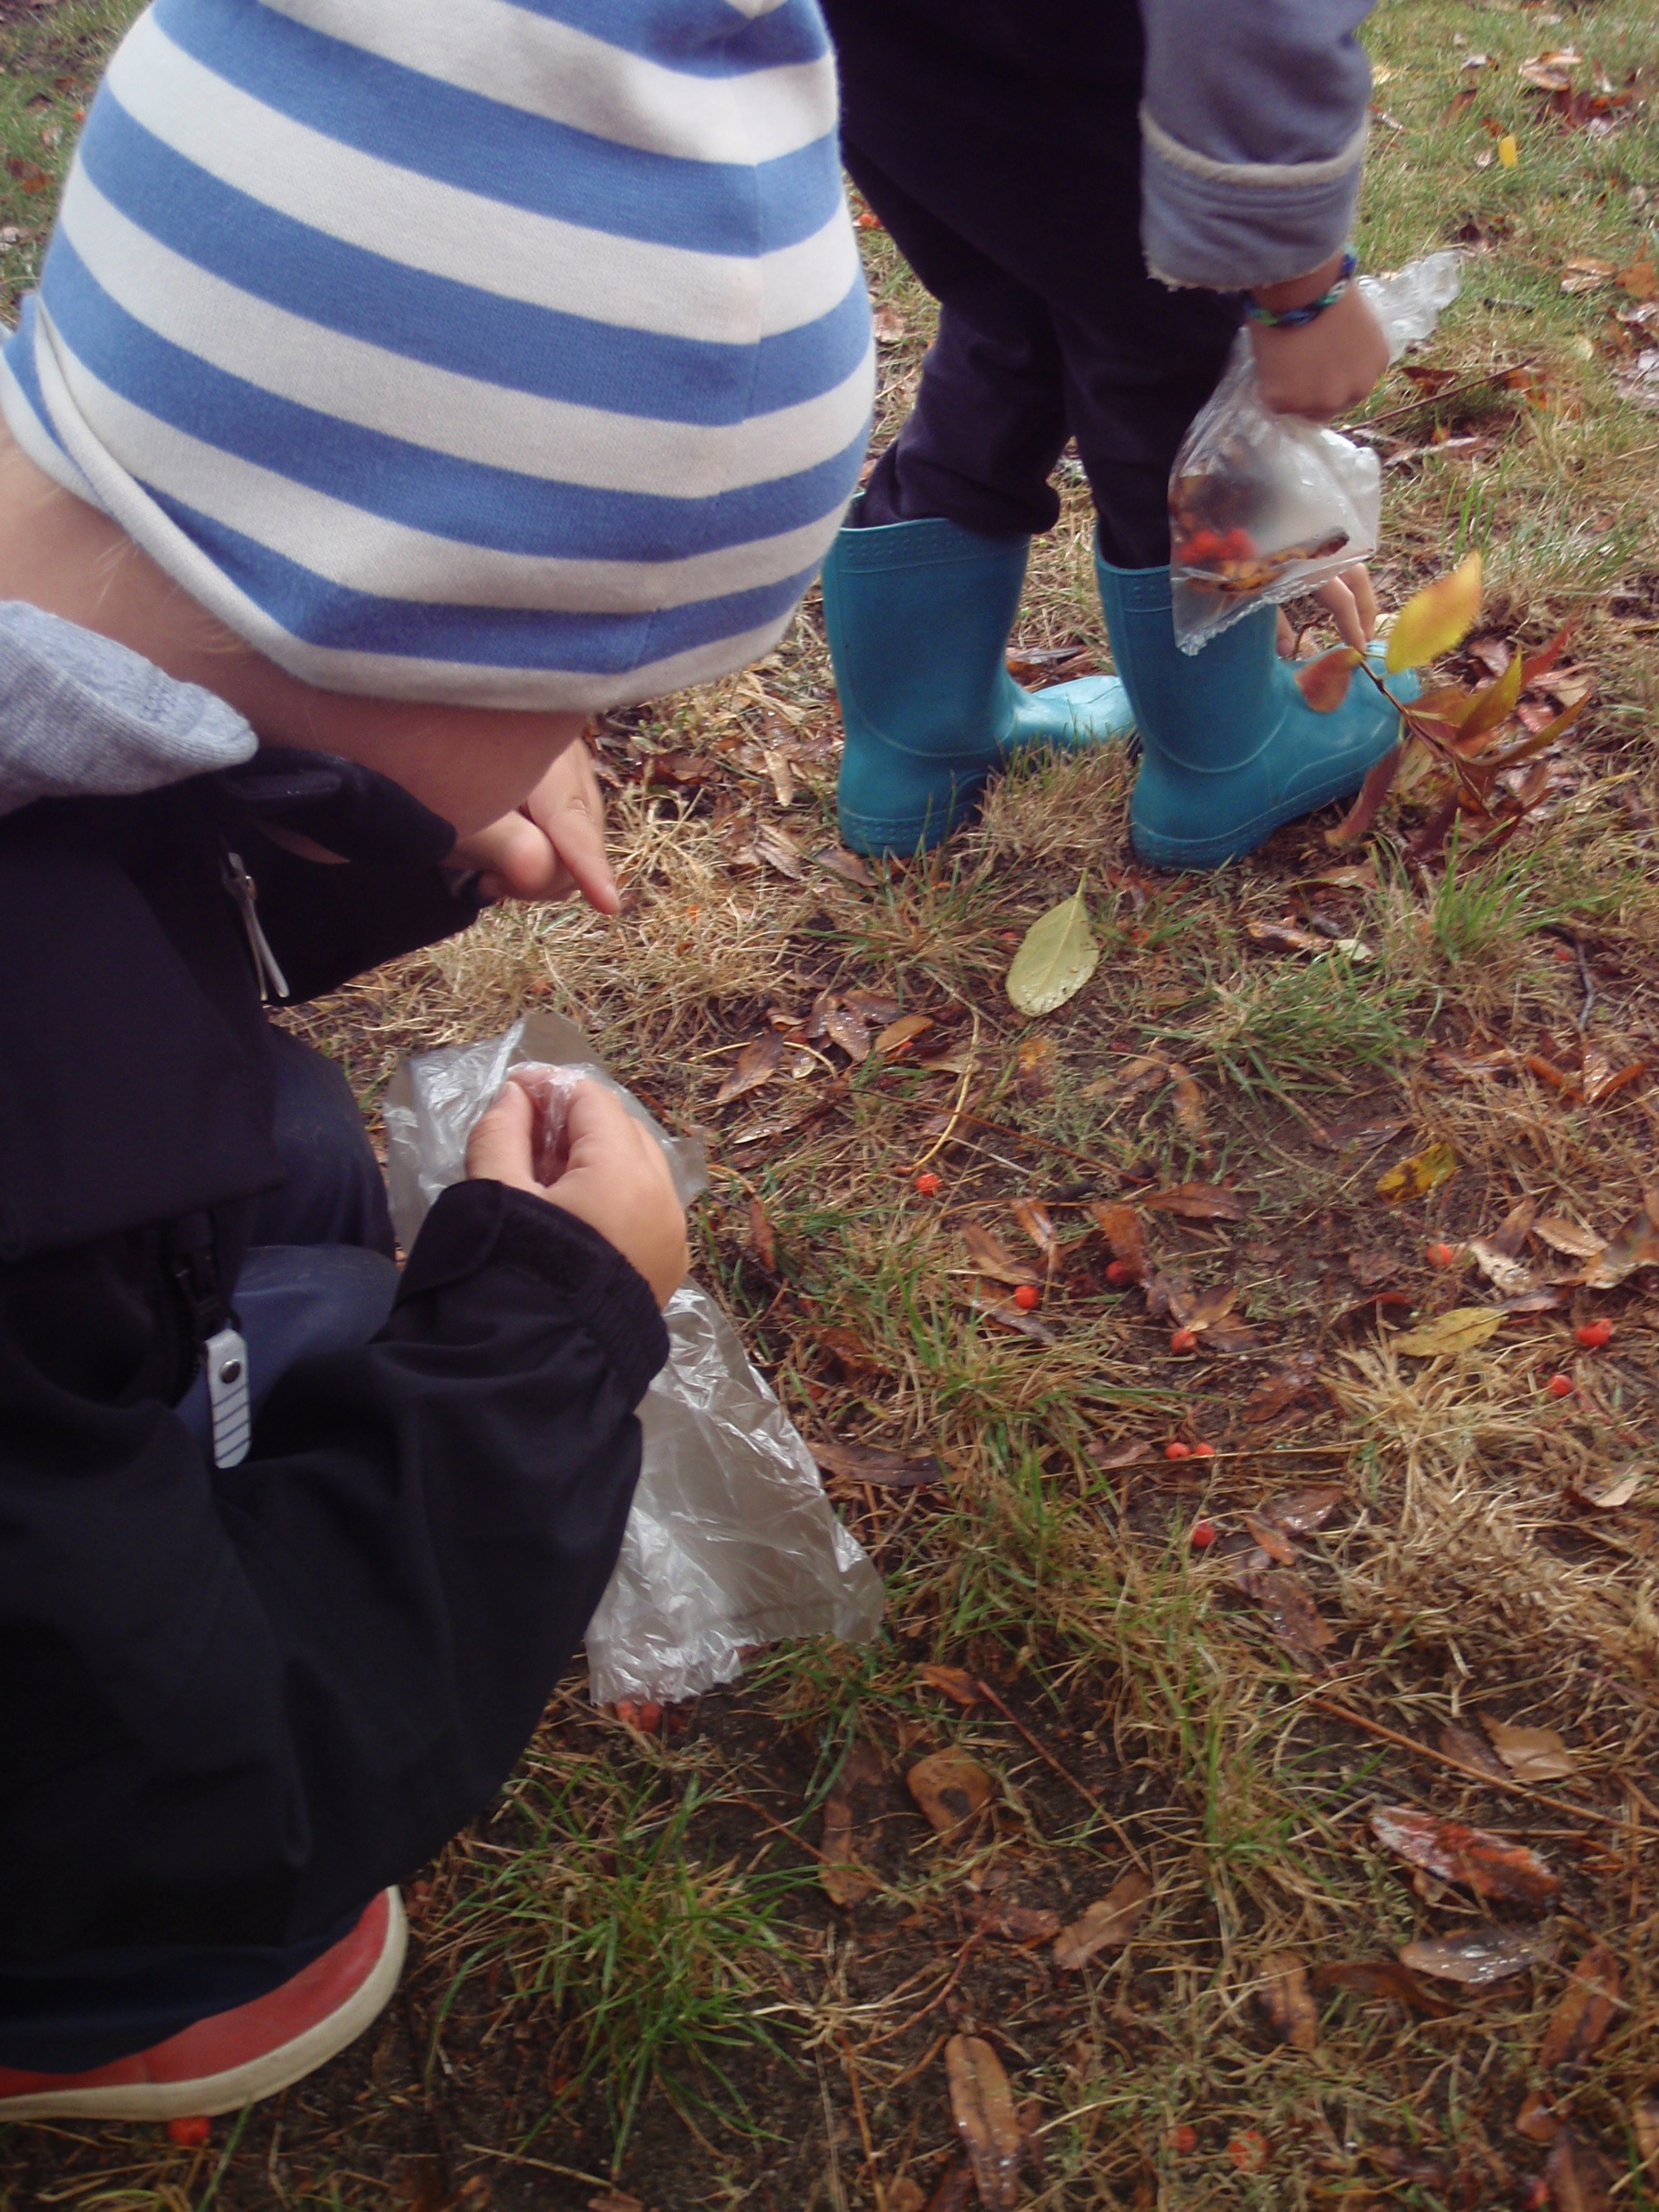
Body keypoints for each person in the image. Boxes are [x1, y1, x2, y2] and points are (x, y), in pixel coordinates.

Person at [0, 0, 870, 2122]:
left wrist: (370, 815)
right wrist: (552, 1319)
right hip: (105, 1792)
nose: (587, 746)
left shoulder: (79, 614)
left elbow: (114, 876)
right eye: (596, 690)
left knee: (279, 1181)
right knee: (184, 1866)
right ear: (408, 634)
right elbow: (211, 1773)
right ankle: (70, 1991)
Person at [816, 0, 1416, 868]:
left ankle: (913, 750)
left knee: (1009, 313)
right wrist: (1301, 287)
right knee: (1162, 358)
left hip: (877, 42)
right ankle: (1227, 755)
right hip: (1085, 51)